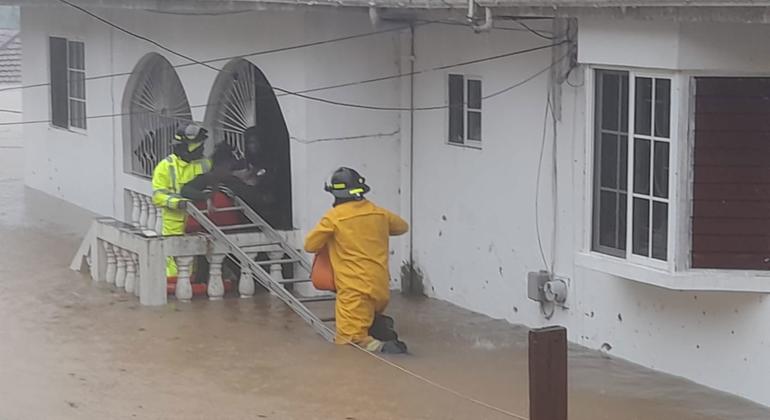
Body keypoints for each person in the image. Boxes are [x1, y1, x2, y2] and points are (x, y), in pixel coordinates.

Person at [304, 167, 409, 354]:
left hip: (354, 290)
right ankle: (383, 334)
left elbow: (310, 245)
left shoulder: (334, 218)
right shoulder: (379, 213)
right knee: (370, 325)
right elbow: (402, 227)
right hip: (380, 286)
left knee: (350, 342)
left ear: (335, 193)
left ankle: (389, 350)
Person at [151, 122, 211, 278]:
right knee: (175, 267)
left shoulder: (205, 164)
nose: (202, 149)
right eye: (198, 146)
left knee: (201, 264)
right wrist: (179, 202)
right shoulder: (165, 166)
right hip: (174, 225)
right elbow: (158, 196)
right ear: (185, 147)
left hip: (201, 222)